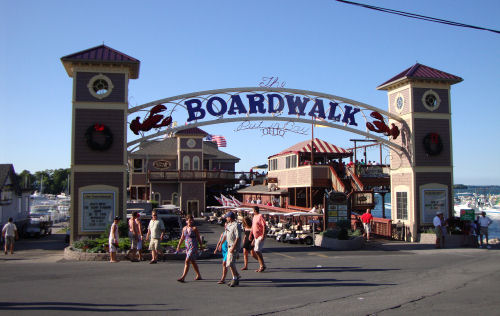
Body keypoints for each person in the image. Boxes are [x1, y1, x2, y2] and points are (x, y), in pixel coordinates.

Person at [177, 215, 204, 282]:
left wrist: (201, 246)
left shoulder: (194, 228)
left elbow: (198, 238)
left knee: (187, 260)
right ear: (186, 221)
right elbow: (182, 238)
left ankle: (183, 277)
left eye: (192, 220)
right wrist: (178, 246)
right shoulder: (184, 228)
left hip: (193, 246)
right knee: (193, 261)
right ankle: (199, 275)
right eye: (189, 220)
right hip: (187, 246)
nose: (191, 222)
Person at [224, 211, 241, 287]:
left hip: (233, 246)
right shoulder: (229, 225)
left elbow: (237, 237)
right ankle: (236, 276)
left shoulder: (236, 225)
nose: (226, 218)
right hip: (229, 245)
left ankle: (235, 278)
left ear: (230, 218)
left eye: (227, 217)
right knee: (229, 263)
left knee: (230, 263)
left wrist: (234, 247)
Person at [250, 206, 267, 273]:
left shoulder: (260, 216)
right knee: (255, 251)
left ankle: (262, 265)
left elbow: (264, 225)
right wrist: (252, 236)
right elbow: (253, 227)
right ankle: (262, 265)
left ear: (255, 210)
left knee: (257, 250)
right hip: (256, 236)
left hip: (260, 236)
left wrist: (263, 235)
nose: (253, 212)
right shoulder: (254, 217)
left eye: (253, 210)